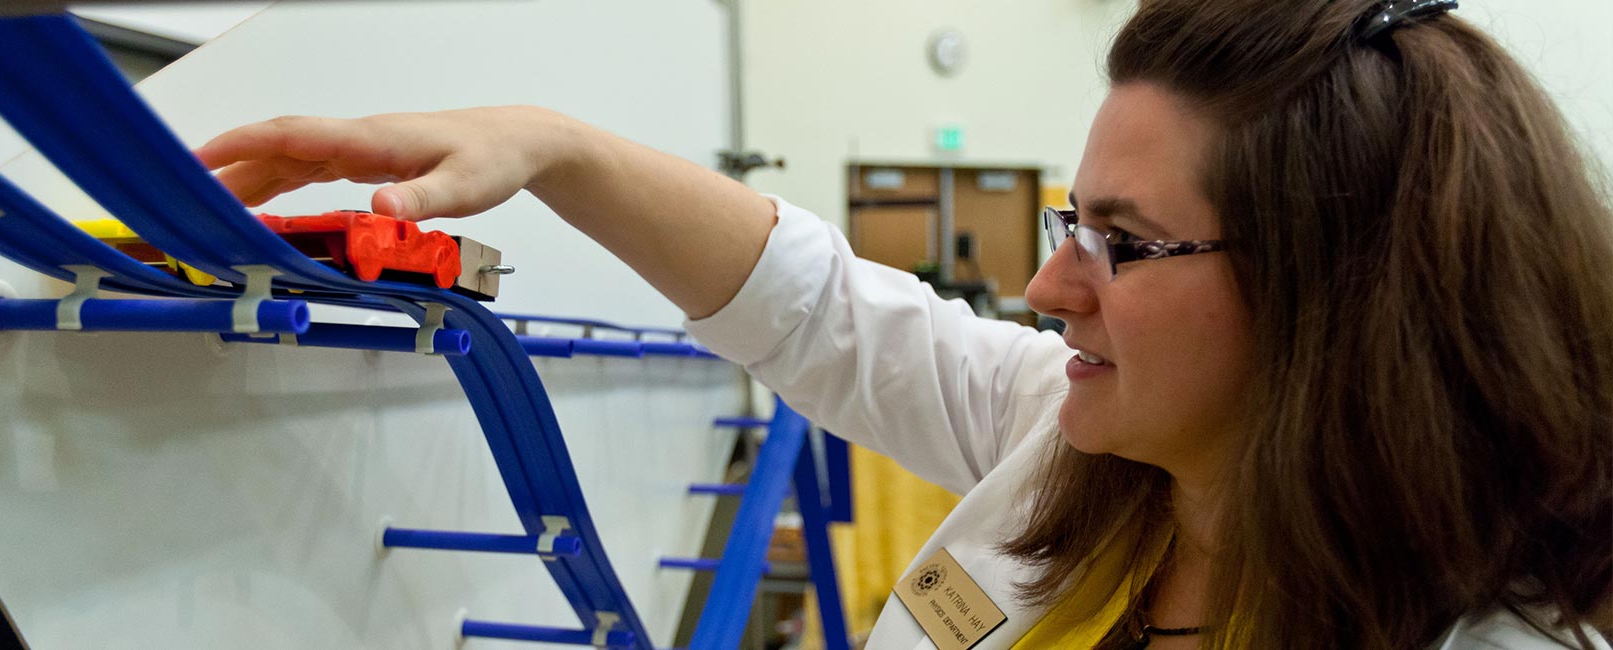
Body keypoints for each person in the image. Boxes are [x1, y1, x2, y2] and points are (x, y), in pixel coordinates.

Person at [195, 0, 1612, 647]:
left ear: (1336, 298)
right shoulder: (1068, 455)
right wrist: (554, 147)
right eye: (1074, 226)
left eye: (1120, 245)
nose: (1053, 289)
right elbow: (821, 309)